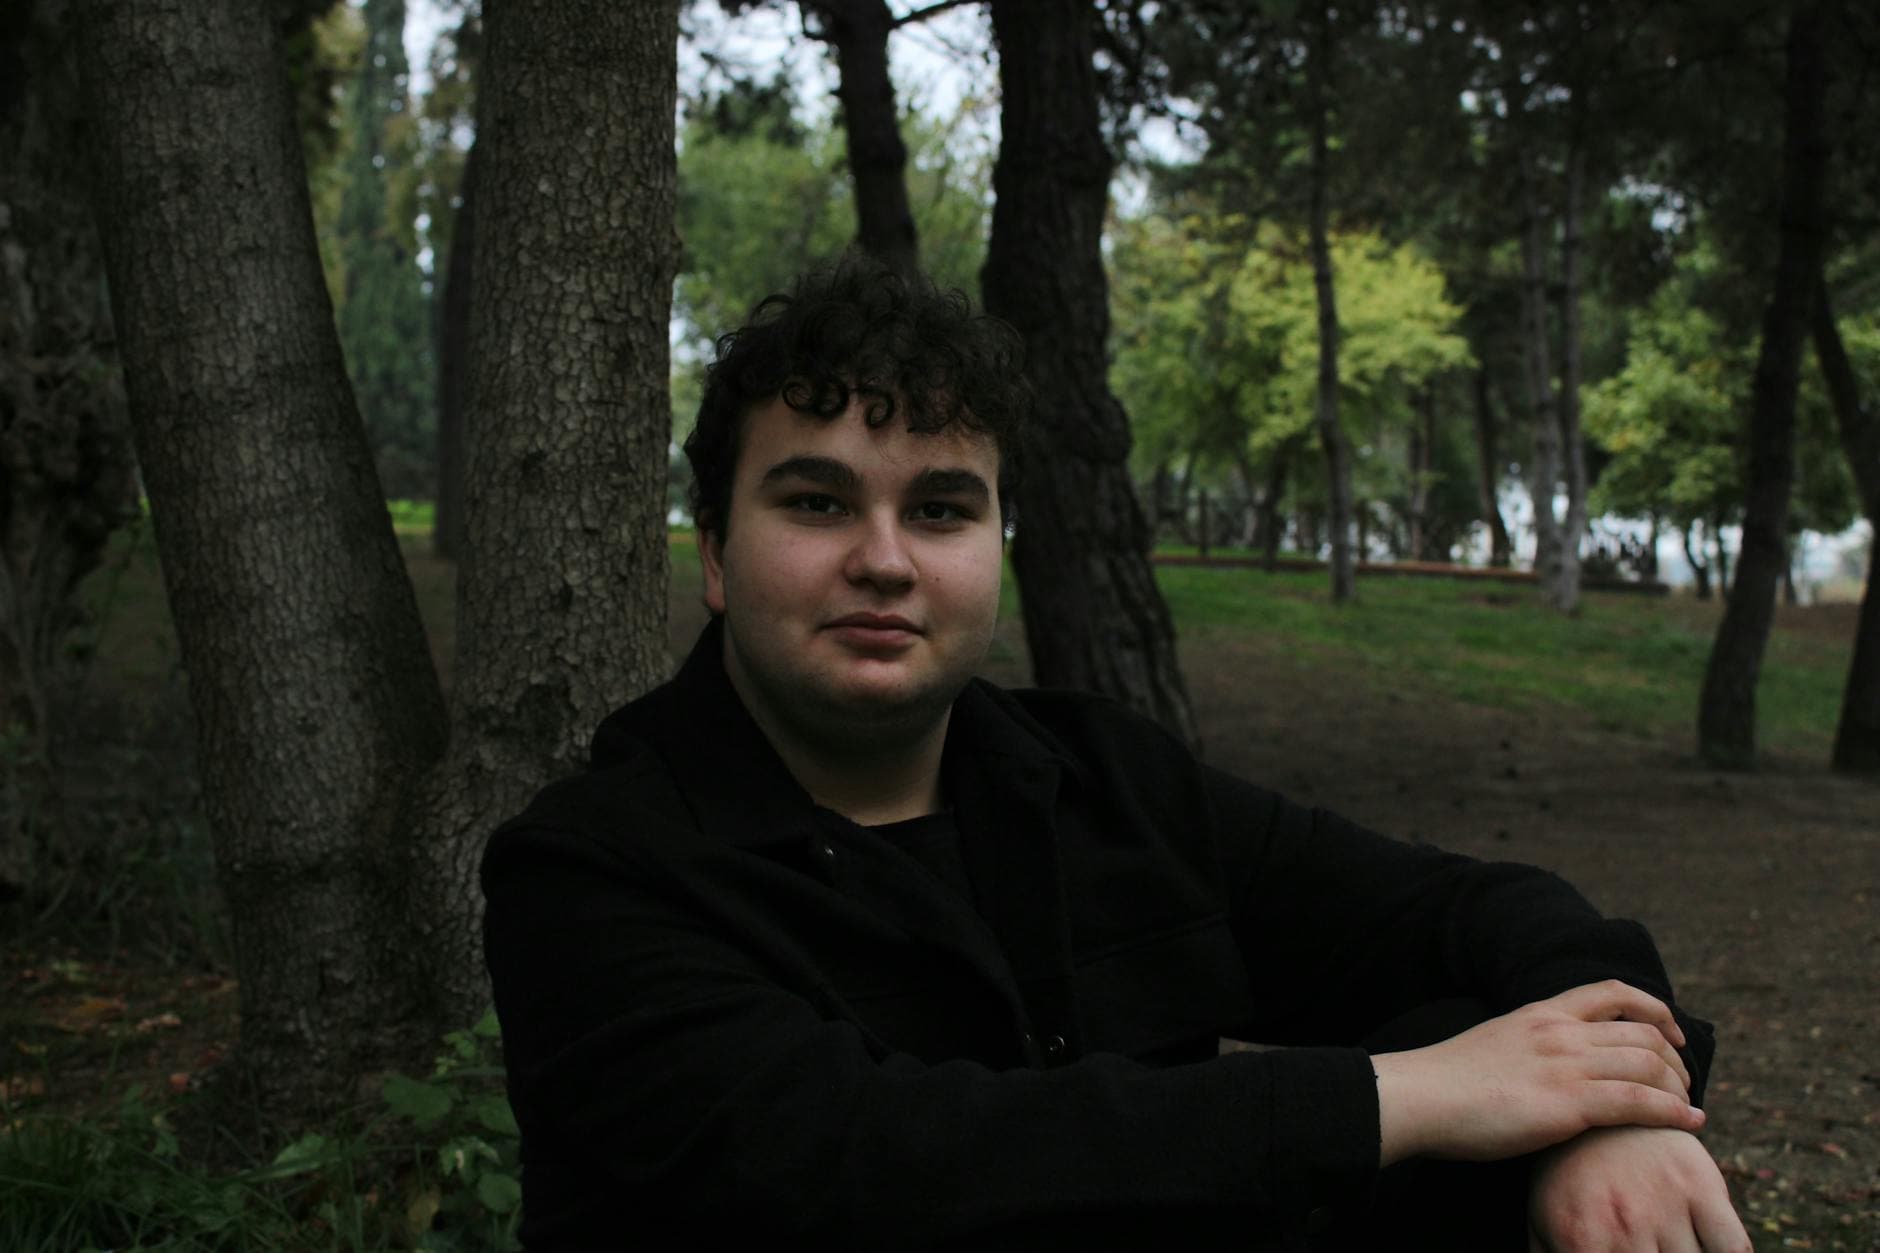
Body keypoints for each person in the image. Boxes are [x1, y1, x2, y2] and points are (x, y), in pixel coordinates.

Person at [480, 257, 1750, 1251]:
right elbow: (872, 1169)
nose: (883, 555)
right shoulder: (591, 870)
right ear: (712, 553)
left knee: (1483, 1034)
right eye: (815, 501)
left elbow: (1475, 911)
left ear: (992, 547)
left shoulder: (1102, 781)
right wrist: (1405, 1094)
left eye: (939, 507)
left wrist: (1606, 1113)